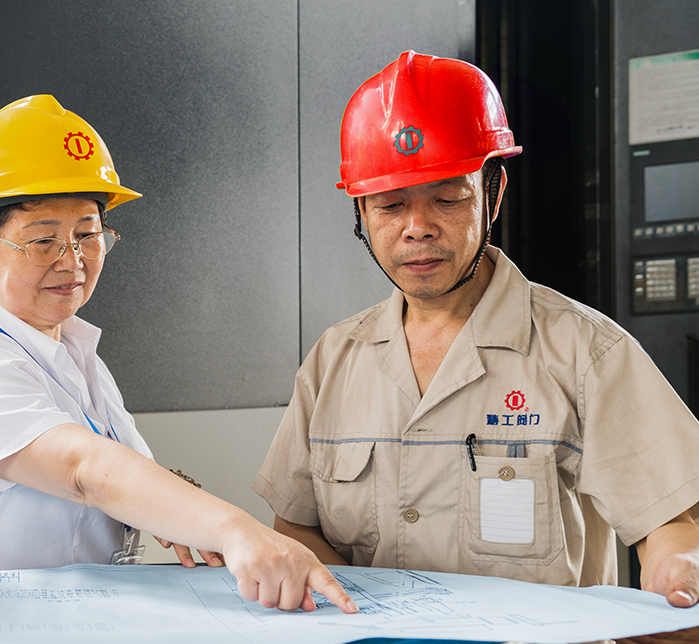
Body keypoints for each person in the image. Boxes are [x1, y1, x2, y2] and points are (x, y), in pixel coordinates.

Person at [254, 51, 699, 640]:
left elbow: (671, 522)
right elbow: (296, 528)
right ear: (360, 208)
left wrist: (679, 566)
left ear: (492, 192)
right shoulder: (333, 360)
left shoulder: (585, 352)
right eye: (390, 204)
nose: (417, 227)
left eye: (447, 198)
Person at [0, 94, 357, 614]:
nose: (72, 260)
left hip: (77, 618)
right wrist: (235, 530)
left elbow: (128, 471)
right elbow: (84, 468)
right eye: (43, 240)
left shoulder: (78, 355)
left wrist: (180, 513)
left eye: (87, 235)